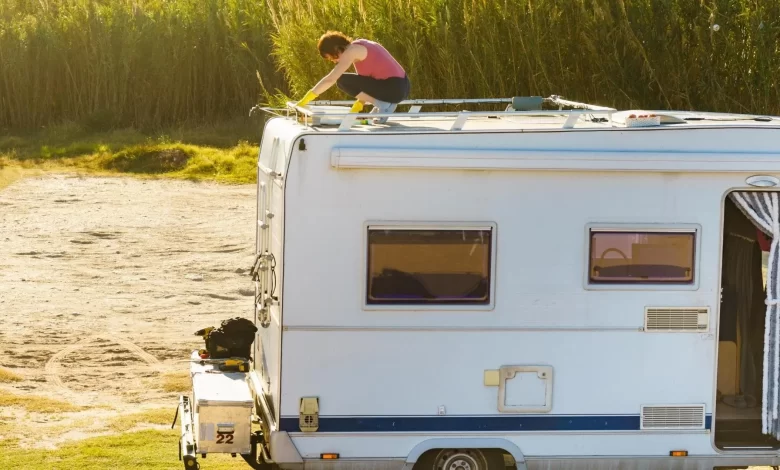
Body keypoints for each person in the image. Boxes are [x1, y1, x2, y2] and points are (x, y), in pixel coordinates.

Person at [294, 31, 410, 124]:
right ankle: (384, 104)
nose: (334, 61)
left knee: (341, 80)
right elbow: (365, 88)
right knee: (347, 80)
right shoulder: (359, 46)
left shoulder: (351, 51)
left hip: (393, 87)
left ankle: (382, 105)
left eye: (331, 58)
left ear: (335, 49)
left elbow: (331, 78)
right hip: (401, 87)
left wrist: (306, 99)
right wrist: (357, 107)